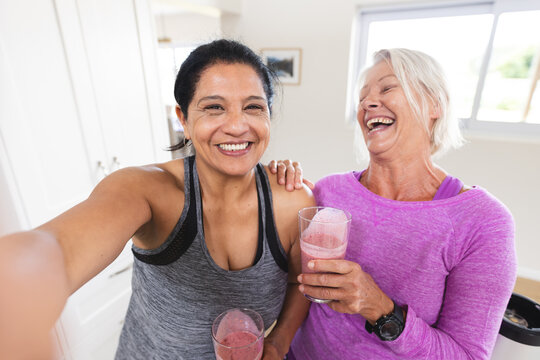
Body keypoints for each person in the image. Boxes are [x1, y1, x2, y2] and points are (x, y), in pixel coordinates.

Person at [0, 39, 314, 360]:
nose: (236, 125)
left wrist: (278, 341)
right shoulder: (147, 190)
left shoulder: (293, 201)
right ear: (184, 120)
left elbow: (298, 282)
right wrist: (16, 284)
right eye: (214, 107)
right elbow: (58, 251)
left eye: (253, 107)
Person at [270, 48, 517, 359]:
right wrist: (281, 186)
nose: (368, 103)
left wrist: (380, 309)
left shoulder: (483, 221)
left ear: (434, 104)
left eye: (387, 88)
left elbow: (467, 355)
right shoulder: (328, 191)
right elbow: (295, 283)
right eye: (362, 98)